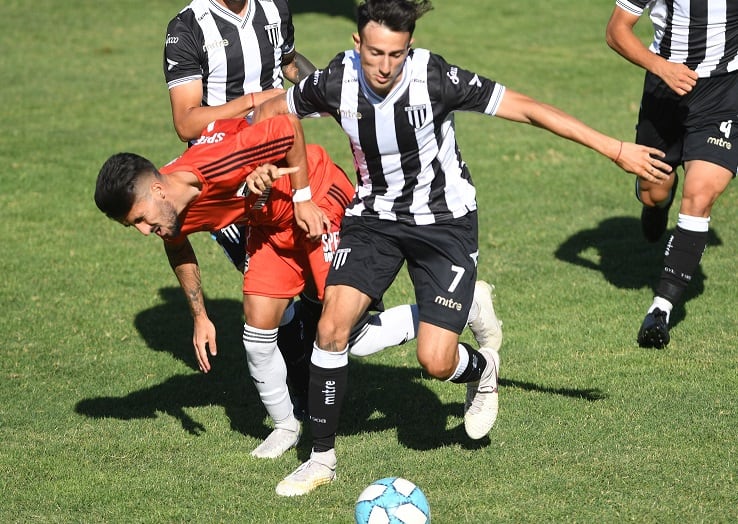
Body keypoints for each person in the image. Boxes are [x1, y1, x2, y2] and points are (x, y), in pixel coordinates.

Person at [254, 0, 672, 496]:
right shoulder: (333, 80)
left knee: (434, 361)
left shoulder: (435, 78)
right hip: (374, 220)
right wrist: (283, 180)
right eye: (374, 54)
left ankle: (483, 367)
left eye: (396, 54)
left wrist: (616, 149)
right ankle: (321, 459)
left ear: (408, 48)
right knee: (331, 328)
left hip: (444, 226)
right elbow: (271, 110)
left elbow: (529, 109)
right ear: (356, 44)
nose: (385, 67)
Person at [94, 114, 421, 459]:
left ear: (158, 190)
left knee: (350, 335)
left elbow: (288, 125)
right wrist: (200, 316)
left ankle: (450, 309)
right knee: (257, 335)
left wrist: (301, 197)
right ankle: (286, 426)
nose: (145, 231)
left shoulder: (216, 161)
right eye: (135, 226)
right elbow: (177, 245)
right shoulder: (169, 210)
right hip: (269, 227)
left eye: (141, 220)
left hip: (317, 198)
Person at [163, 0, 320, 407]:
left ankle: (322, 345)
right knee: (270, 286)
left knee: (310, 259)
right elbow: (186, 122)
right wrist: (254, 101)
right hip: (226, 181)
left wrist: (324, 86)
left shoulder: (274, 7)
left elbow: (287, 62)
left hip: (283, 159)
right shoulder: (188, 26)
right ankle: (301, 382)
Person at [605, 1, 738, 349]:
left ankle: (660, 310)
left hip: (723, 95)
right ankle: (655, 206)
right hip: (664, 89)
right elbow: (617, 30)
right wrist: (660, 67)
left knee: (701, 195)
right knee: (656, 191)